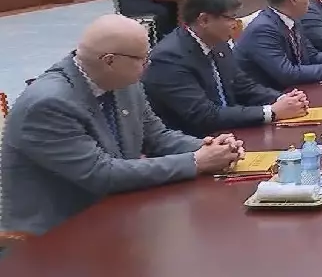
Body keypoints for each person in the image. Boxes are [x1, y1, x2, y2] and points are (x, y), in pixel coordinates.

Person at [0, 15, 243, 235]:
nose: (148, 65)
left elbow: (157, 137)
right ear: (109, 61)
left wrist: (209, 147)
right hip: (57, 233)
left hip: (116, 210)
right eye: (143, 59)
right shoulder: (49, 104)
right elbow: (101, 174)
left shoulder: (123, 80)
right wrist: (196, 161)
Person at [143, 0, 310, 137]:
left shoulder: (219, 44)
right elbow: (204, 115)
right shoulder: (169, 57)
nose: (235, 24)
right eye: (230, 18)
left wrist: (283, 99)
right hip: (196, 143)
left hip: (231, 134)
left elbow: (244, 87)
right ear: (204, 20)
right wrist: (270, 112)